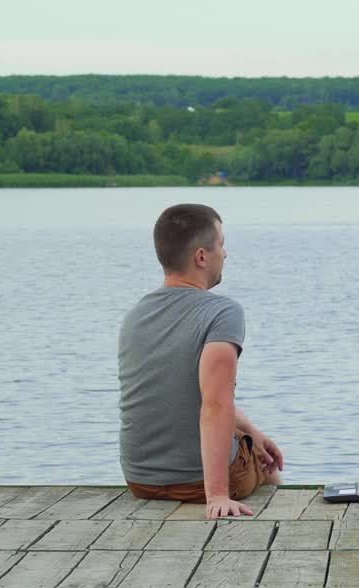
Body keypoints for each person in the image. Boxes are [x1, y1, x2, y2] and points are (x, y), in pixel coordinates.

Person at [118, 203, 284, 520]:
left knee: (251, 442)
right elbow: (216, 404)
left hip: (139, 480)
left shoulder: (134, 316)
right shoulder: (222, 312)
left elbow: (181, 395)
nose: (226, 254)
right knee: (262, 464)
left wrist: (251, 431)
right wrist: (218, 495)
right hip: (197, 483)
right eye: (221, 244)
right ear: (201, 257)